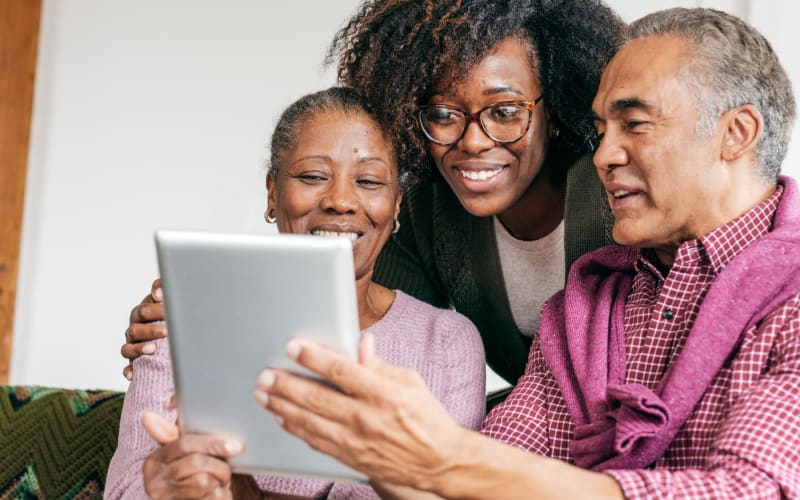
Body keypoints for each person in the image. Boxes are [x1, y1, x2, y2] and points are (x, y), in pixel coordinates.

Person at [250, 8, 800, 498]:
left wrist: (449, 460)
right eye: (603, 126)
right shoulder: (585, 308)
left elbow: (753, 489)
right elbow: (492, 465)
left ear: (736, 133)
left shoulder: (787, 301)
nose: (604, 152)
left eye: (633, 123)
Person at [121, 0, 626, 389]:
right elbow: (374, 336)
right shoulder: (425, 212)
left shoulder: (614, 192)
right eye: (444, 114)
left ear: (553, 107)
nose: (473, 141)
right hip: (526, 439)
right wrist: (197, 310)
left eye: (505, 111)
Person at [104, 87, 486, 499]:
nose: (341, 200)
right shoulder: (181, 323)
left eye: (370, 181)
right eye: (312, 176)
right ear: (273, 192)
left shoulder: (447, 342)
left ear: (396, 205)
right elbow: (124, 492)